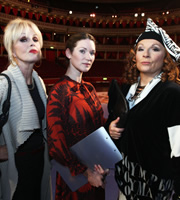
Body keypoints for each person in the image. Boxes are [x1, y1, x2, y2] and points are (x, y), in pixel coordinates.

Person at [107, 18, 180, 200]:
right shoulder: (125, 88)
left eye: (155, 49)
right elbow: (113, 121)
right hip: (126, 178)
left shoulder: (172, 93)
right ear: (135, 56)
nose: (146, 54)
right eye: (141, 49)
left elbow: (179, 148)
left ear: (165, 58)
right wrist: (111, 129)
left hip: (154, 184)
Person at [47, 32, 107, 200]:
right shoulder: (59, 91)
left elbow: (99, 130)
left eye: (92, 53)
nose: (88, 57)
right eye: (82, 51)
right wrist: (87, 172)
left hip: (97, 170)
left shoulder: (90, 89)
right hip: (74, 176)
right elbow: (56, 144)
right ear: (68, 53)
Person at [0, 18, 51, 200]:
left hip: (39, 166)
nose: (31, 43)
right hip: (15, 170)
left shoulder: (39, 82)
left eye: (35, 39)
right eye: (23, 39)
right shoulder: (3, 84)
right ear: (11, 48)